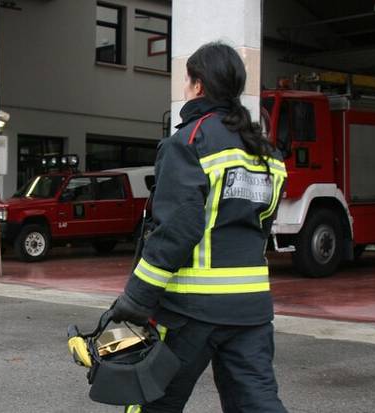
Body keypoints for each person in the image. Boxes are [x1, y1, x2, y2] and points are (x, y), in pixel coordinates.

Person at [111, 42, 288, 413]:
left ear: (199, 86)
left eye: (187, 80)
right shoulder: (266, 152)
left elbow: (177, 229)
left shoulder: (189, 141)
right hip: (252, 309)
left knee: (151, 402)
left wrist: (136, 298)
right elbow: (263, 222)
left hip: (192, 311)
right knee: (256, 403)